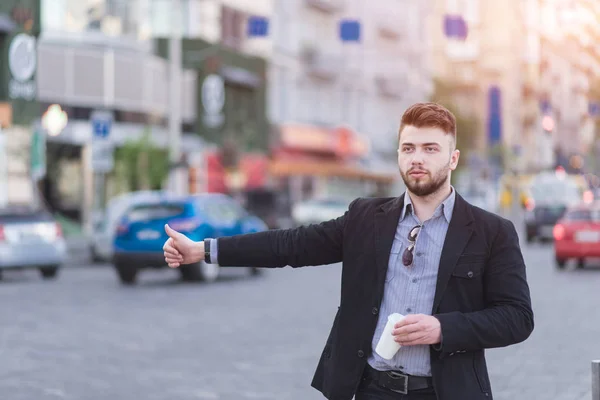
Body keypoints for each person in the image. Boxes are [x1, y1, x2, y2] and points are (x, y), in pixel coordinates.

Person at [162, 102, 534, 400]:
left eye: (430, 148)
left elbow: (517, 317)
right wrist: (204, 250)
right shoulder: (366, 217)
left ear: (452, 159)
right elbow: (290, 245)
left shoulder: (491, 232)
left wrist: (441, 328)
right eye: (408, 148)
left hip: (445, 391)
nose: (417, 158)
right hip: (370, 388)